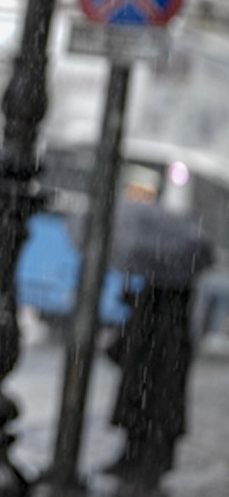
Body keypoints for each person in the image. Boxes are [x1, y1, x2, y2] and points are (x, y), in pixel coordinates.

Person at [103, 165, 214, 490]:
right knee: (142, 406)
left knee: (152, 409)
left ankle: (145, 465)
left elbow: (161, 316)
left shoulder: (175, 278)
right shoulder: (164, 275)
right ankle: (134, 459)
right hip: (152, 352)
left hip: (160, 355)